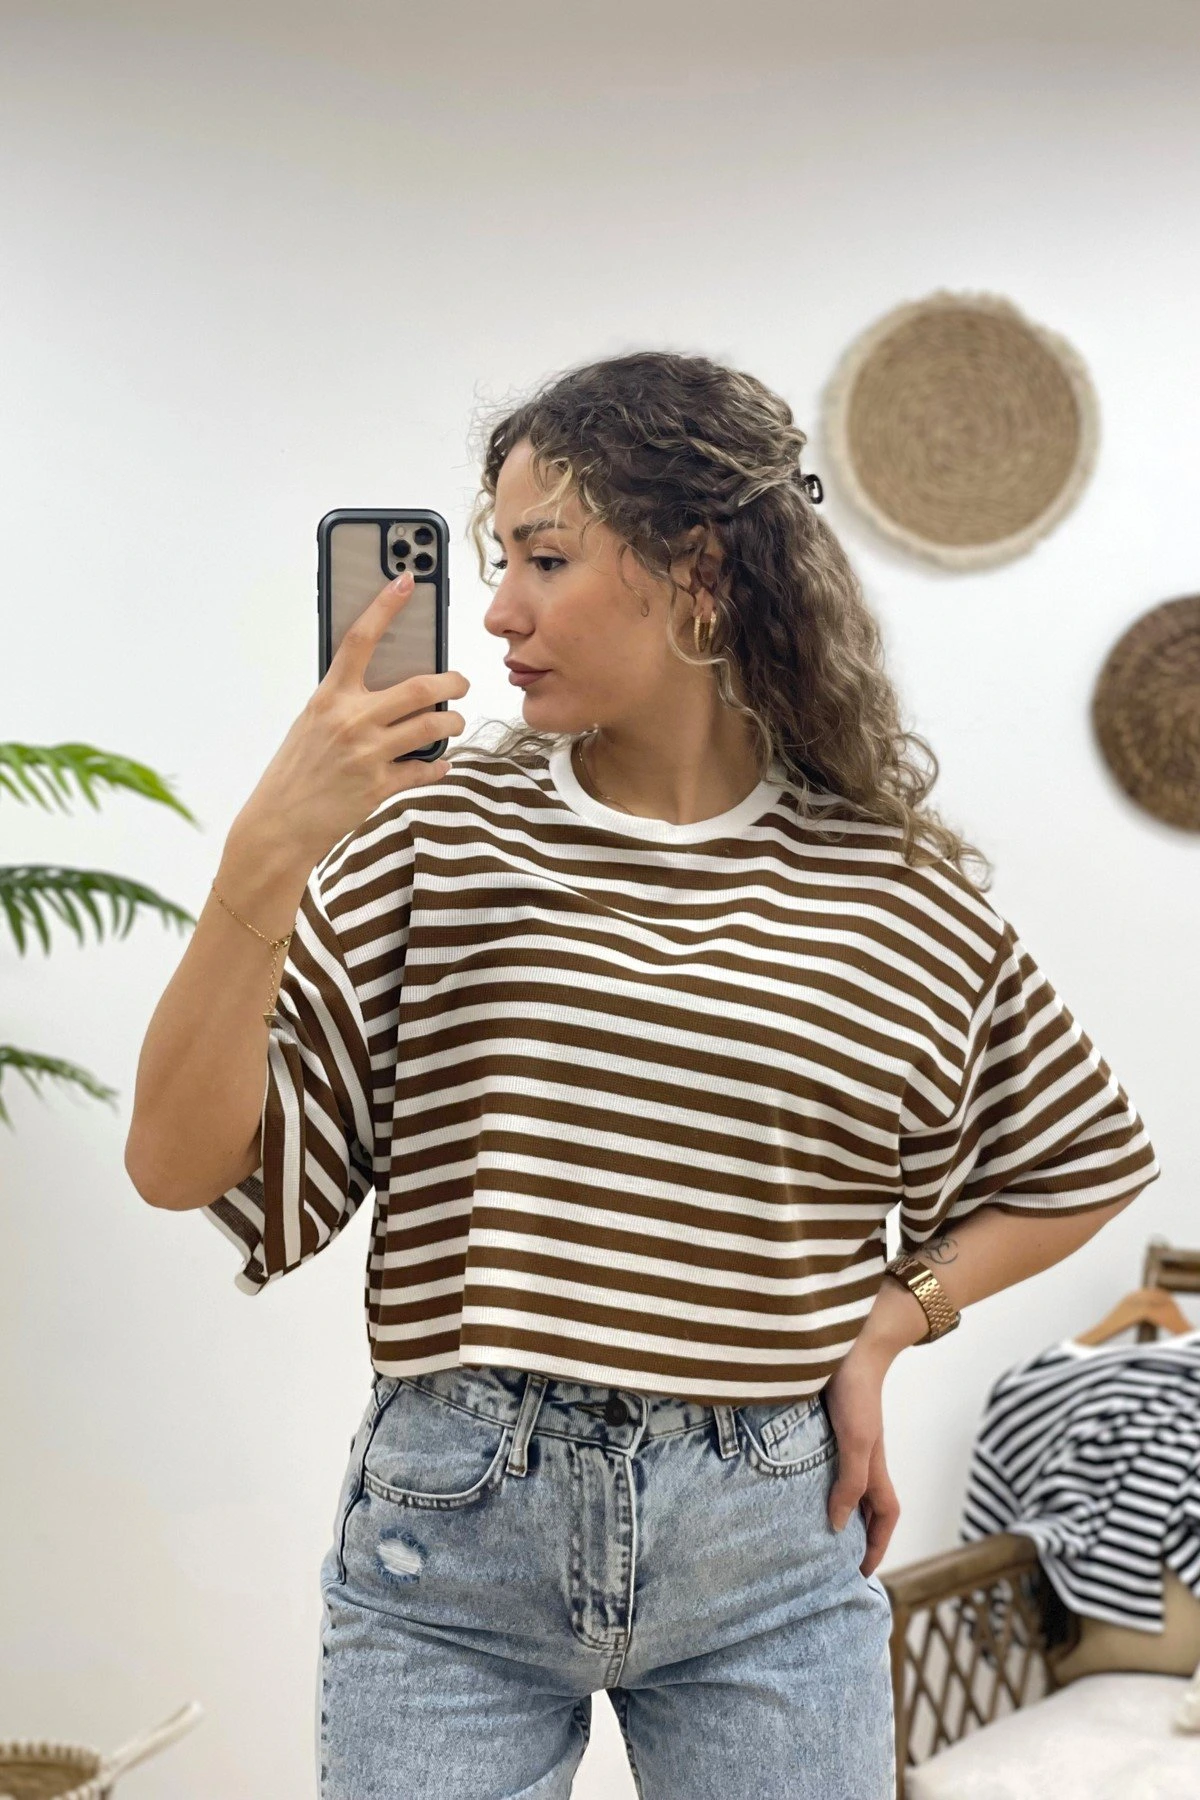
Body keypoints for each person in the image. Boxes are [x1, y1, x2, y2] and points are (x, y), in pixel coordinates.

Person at [124, 350, 1160, 1800]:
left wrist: (883, 1327)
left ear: (701, 572)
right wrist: (267, 854)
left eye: (545, 558)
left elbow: (1083, 1165)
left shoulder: (888, 892)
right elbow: (176, 1162)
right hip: (451, 1546)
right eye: (499, 558)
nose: (499, 609)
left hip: (768, 1553)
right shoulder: (436, 831)